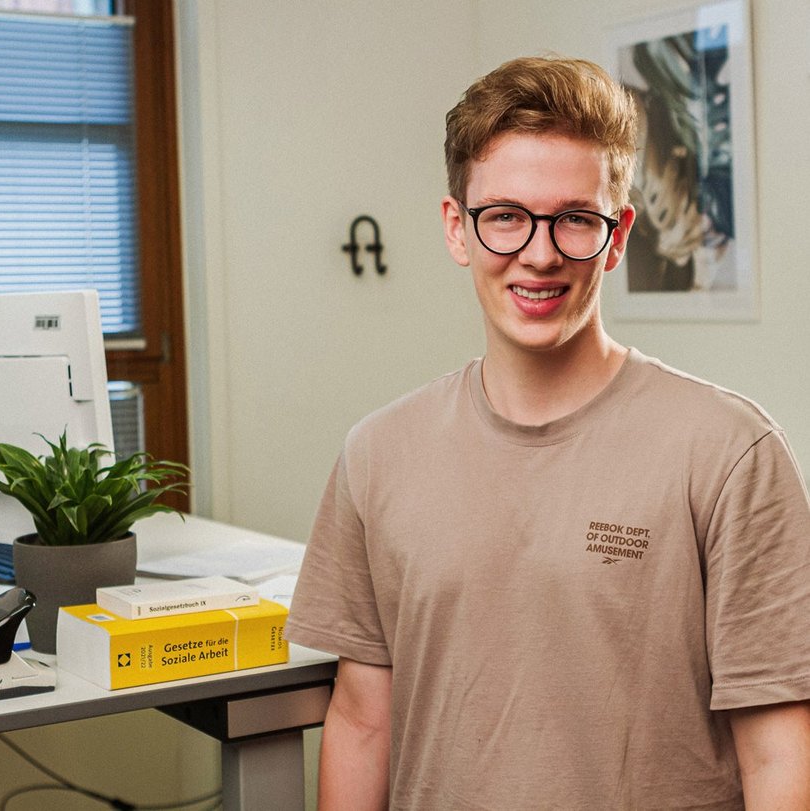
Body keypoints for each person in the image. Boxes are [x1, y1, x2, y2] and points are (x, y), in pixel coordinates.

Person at [284, 55, 810, 810]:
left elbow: (779, 750)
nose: (539, 252)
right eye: (504, 215)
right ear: (456, 229)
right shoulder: (376, 455)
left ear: (618, 234)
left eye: (575, 218)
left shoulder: (729, 454)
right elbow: (364, 722)